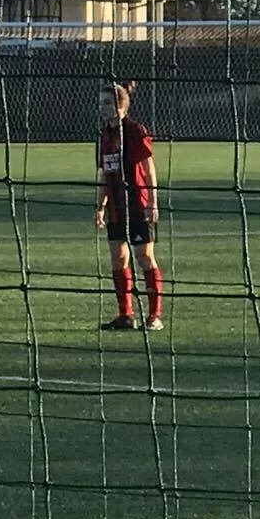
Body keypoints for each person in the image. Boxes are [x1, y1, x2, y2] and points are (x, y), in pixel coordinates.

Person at [97, 82, 164, 332]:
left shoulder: (135, 131)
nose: (102, 108)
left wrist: (153, 202)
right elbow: (105, 173)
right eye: (101, 103)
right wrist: (100, 207)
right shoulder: (104, 135)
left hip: (137, 205)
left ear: (121, 106)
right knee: (118, 259)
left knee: (144, 257)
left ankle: (154, 316)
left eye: (106, 103)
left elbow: (148, 169)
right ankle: (125, 314)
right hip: (115, 208)